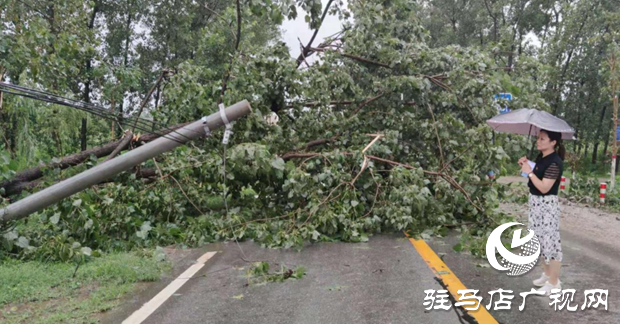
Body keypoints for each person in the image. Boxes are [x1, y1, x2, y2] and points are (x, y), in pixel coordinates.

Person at [518, 129, 565, 296]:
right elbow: (534, 176)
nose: (538, 141)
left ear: (553, 142)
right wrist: (526, 166)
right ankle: (547, 274)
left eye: (543, 139)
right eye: (538, 138)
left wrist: (530, 172)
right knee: (539, 240)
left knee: (551, 243)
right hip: (536, 203)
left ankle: (554, 283)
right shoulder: (542, 159)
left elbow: (544, 187)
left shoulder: (555, 162)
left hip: (547, 205)